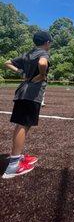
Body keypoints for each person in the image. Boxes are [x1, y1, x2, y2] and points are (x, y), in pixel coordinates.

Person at [2, 30, 52, 179]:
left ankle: (16, 157)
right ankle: (13, 166)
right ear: (47, 43)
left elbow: (7, 63)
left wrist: (20, 72)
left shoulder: (27, 54)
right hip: (31, 94)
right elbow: (42, 63)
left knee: (22, 125)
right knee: (23, 126)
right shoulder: (43, 53)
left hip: (23, 92)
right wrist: (42, 75)